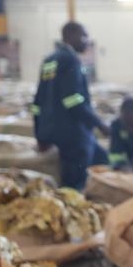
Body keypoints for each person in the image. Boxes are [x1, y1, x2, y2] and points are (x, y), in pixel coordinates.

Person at [30, 21, 108, 190]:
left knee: (103, 159)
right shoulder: (71, 60)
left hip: (54, 131)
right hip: (73, 135)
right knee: (76, 183)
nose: (87, 40)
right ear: (70, 36)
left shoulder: (49, 60)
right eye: (84, 35)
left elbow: (38, 102)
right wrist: (100, 124)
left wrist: (40, 134)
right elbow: (72, 101)